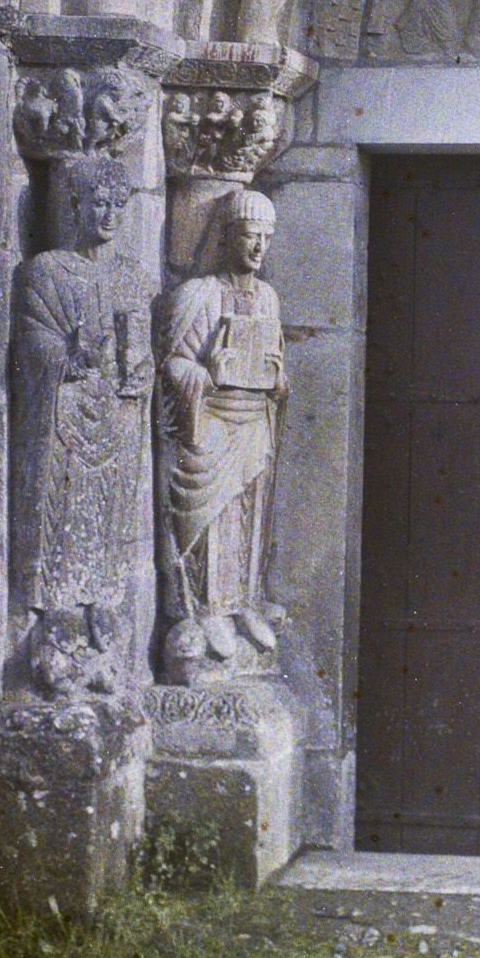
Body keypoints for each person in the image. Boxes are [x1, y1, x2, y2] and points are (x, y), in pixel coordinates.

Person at [9, 153, 152, 697]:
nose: (109, 214)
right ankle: (58, 615)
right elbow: (32, 345)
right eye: (98, 202)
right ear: (74, 204)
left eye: (120, 204)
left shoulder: (132, 278)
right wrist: (69, 355)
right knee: (62, 507)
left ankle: (101, 608)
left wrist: (142, 372)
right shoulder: (46, 270)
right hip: (64, 416)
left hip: (115, 421)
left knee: (109, 510)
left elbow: (142, 354)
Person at [154, 186, 287, 681]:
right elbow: (173, 363)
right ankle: (205, 610)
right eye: (251, 237)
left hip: (253, 421)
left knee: (248, 513)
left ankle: (241, 603)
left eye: (266, 240)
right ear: (227, 236)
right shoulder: (200, 294)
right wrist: (201, 372)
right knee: (211, 515)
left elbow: (278, 370)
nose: (259, 249)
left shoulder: (267, 298)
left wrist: (276, 377)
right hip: (210, 423)